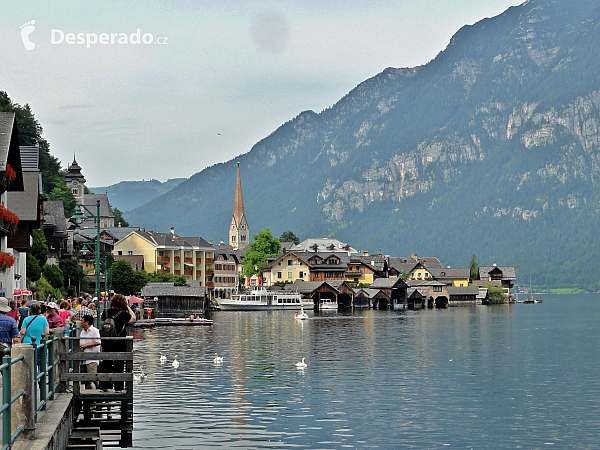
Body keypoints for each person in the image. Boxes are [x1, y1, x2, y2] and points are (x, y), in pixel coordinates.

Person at [99, 294, 136, 392]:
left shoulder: (106, 312)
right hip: (120, 342)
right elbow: (133, 318)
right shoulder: (123, 314)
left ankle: (104, 386)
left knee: (106, 364)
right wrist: (128, 307)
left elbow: (102, 318)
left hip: (106, 342)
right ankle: (118, 388)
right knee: (119, 365)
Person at [79, 315, 100, 390]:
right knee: (86, 379)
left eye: (82, 321)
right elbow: (81, 343)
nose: (81, 323)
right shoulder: (82, 332)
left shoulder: (95, 330)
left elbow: (97, 342)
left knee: (92, 375)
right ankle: (89, 394)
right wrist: (86, 345)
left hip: (92, 357)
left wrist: (85, 345)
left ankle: (99, 387)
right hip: (84, 358)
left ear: (87, 322)